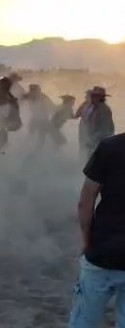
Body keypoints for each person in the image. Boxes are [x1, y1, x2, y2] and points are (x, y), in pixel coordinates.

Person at [69, 132, 125, 327]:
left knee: (85, 319)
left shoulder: (109, 147)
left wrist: (86, 241)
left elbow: (85, 202)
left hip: (103, 251)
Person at [86, 86, 114, 158]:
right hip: (94, 141)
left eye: (95, 96)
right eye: (92, 95)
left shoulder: (104, 110)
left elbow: (105, 130)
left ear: (101, 97)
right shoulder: (94, 107)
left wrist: (92, 141)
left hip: (100, 143)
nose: (92, 97)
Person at [23, 84, 55, 150]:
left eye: (39, 90)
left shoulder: (43, 96)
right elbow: (20, 98)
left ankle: (37, 151)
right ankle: (28, 149)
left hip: (43, 119)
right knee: (31, 135)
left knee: (40, 138)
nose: (39, 91)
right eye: (37, 90)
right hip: (36, 119)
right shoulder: (29, 96)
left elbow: (52, 106)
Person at [75, 90, 94, 162]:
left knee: (90, 145)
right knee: (82, 145)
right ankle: (82, 160)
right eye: (86, 95)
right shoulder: (84, 104)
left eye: (87, 95)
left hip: (91, 128)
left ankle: (89, 161)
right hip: (83, 127)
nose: (85, 97)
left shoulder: (96, 106)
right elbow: (76, 115)